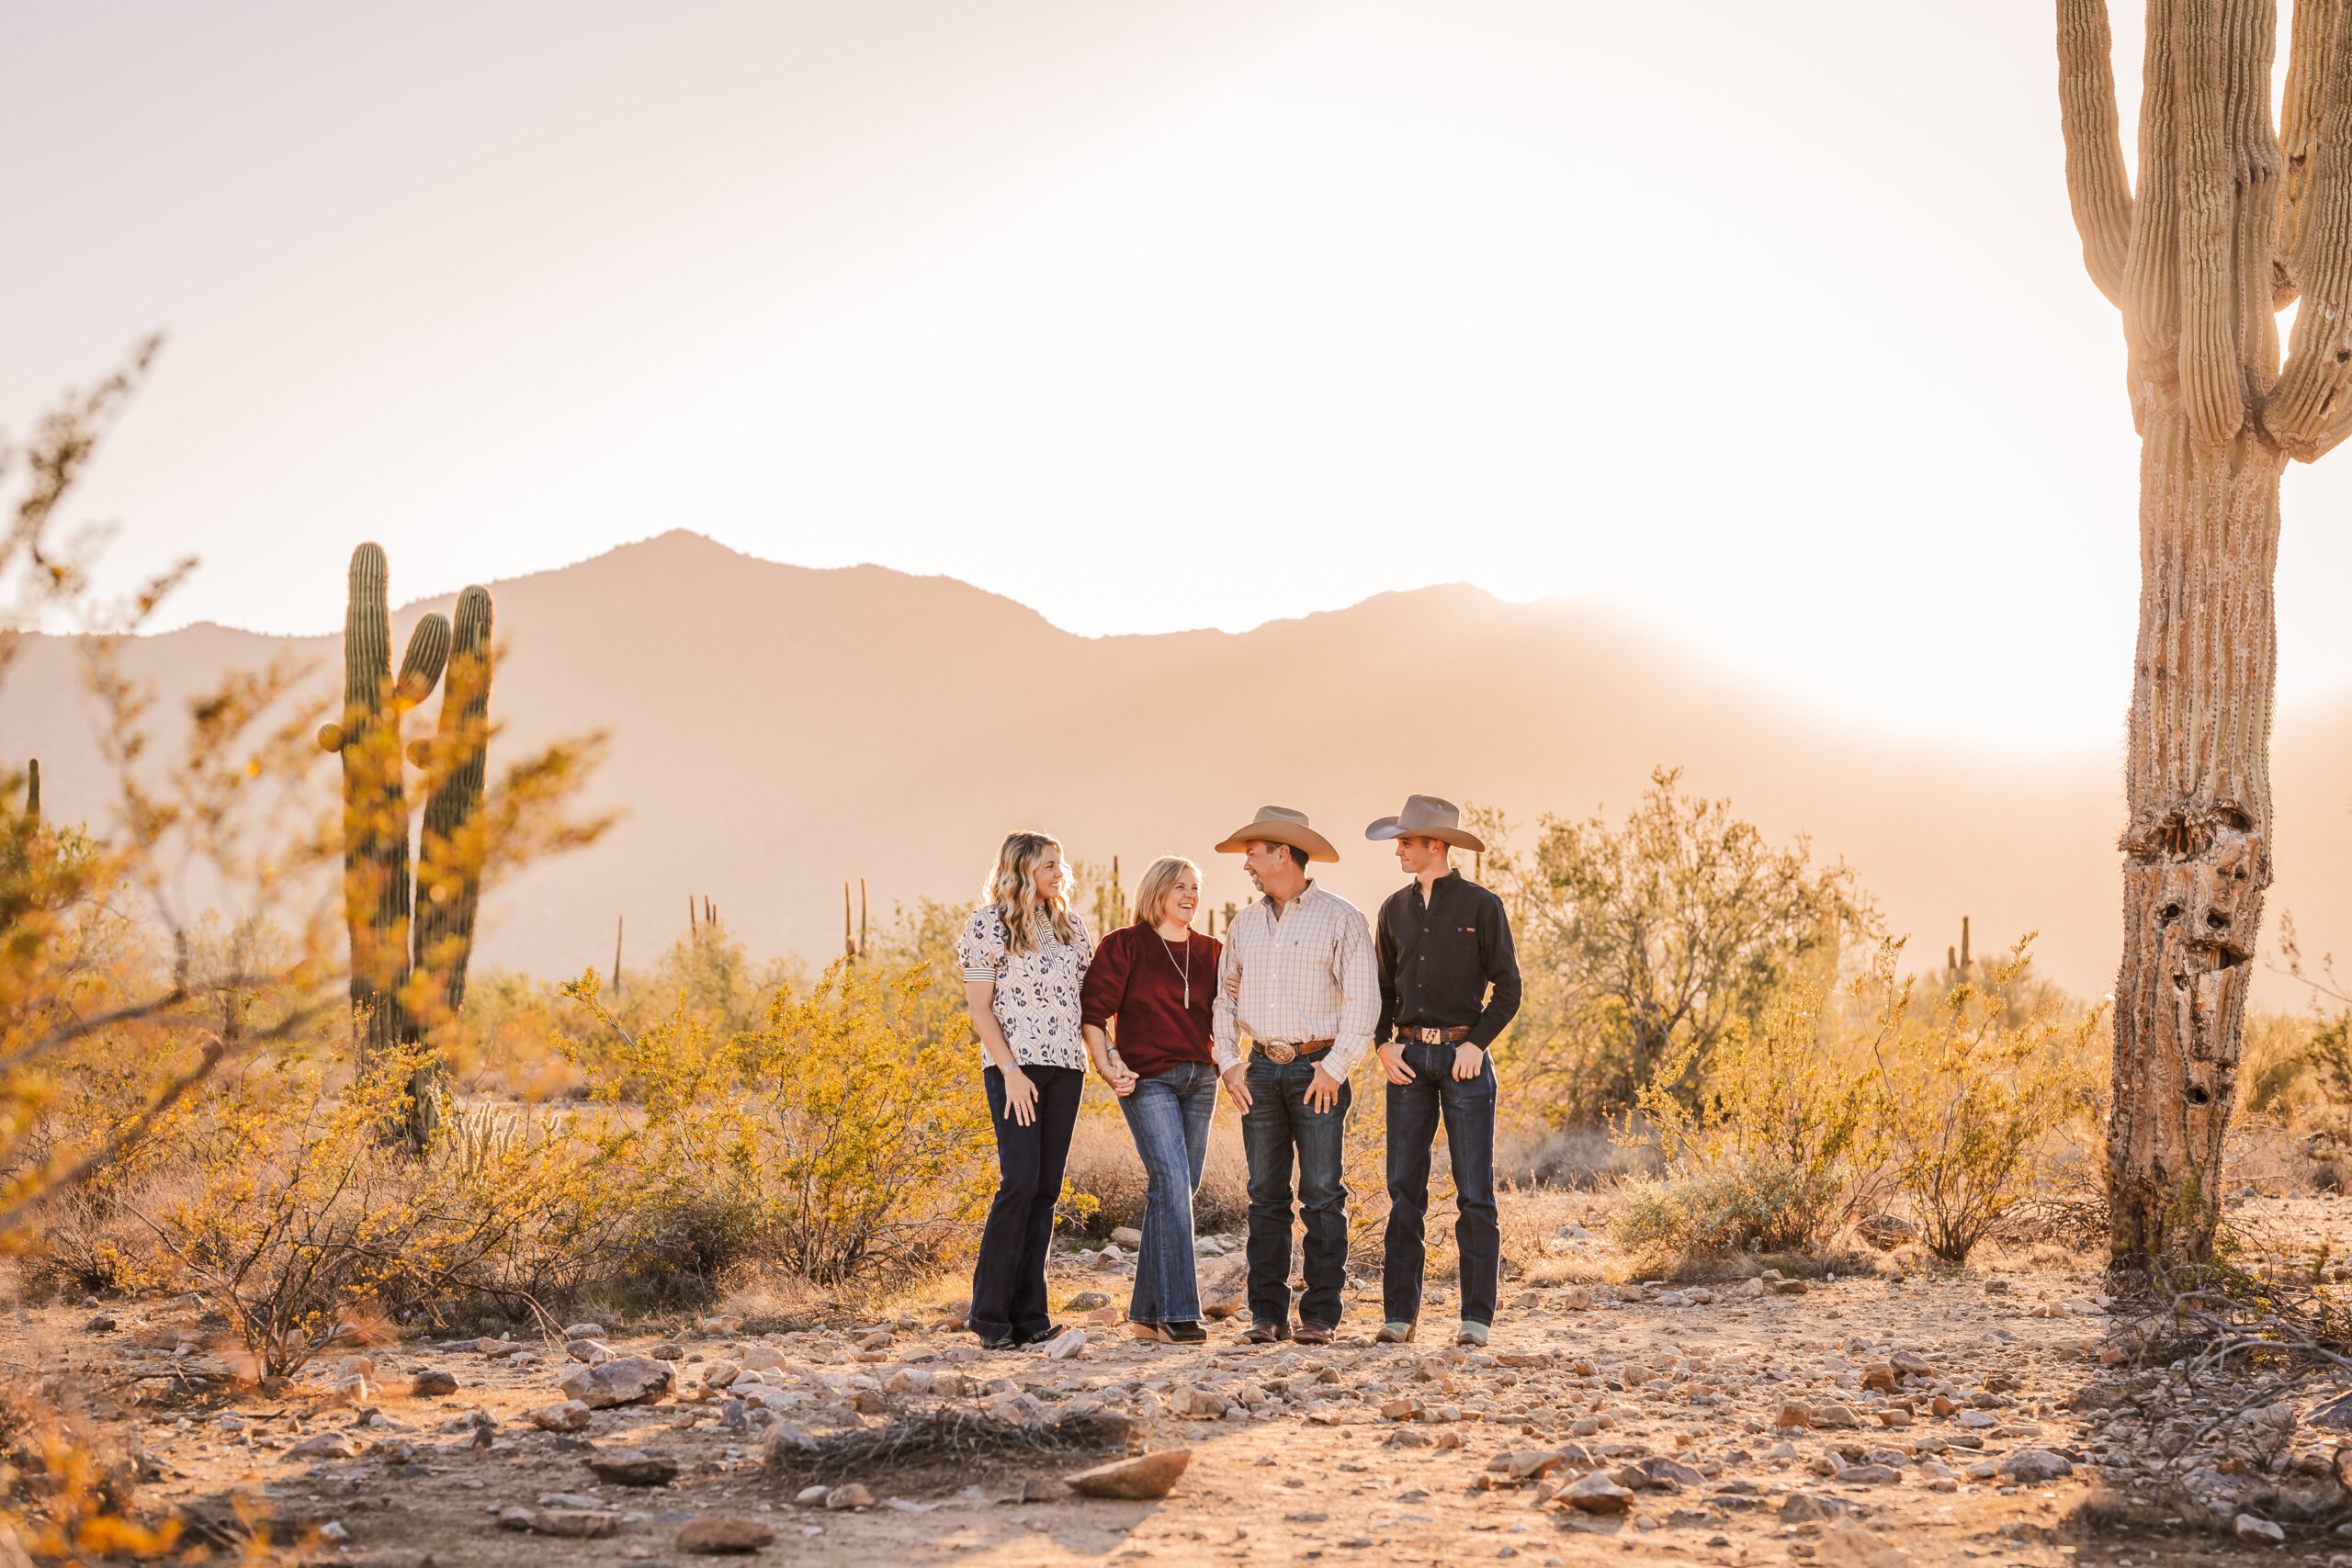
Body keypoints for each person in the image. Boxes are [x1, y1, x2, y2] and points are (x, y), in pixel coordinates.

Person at [1210, 806, 1379, 1347]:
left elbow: (1364, 1002)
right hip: (1258, 1069)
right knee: (1264, 1194)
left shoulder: (1341, 918)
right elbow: (1223, 998)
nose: (1247, 866)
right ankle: (1267, 1315)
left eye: (1253, 854)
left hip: (1318, 1070)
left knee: (1324, 1194)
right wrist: (1228, 1059)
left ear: (1283, 854)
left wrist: (1334, 1069)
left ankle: (1322, 1315)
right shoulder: (1244, 924)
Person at [1365, 795, 1522, 1348]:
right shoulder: (1393, 910)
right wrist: (1383, 1044)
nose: (1399, 850)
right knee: (1404, 1191)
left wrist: (1476, 1044)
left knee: (1474, 1192)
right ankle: (1398, 1317)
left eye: (1406, 841)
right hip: (1407, 1060)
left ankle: (1475, 1319)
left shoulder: (1483, 906)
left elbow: (1509, 988)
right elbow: (1382, 990)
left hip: (1464, 1062)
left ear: (1436, 845)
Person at [958, 830, 1093, 1349]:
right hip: (1015, 1071)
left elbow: (1088, 1001)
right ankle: (990, 1318)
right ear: (1019, 871)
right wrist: (1011, 1071)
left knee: (1045, 1189)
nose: (1059, 874)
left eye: (1060, 865)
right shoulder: (986, 925)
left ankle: (1031, 1318)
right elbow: (979, 1009)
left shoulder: (1071, 927)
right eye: (1047, 866)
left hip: (1066, 1069)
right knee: (1018, 1182)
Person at [1080, 856, 1222, 1345]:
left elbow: (1226, 1017)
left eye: (1195, 887)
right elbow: (1094, 1014)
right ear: (1157, 891)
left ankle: (1143, 1313)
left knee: (1178, 1190)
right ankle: (1180, 1313)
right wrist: (1107, 1065)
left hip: (1203, 1079)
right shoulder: (1126, 945)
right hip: (1148, 1080)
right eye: (1179, 886)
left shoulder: (1213, 951)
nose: (1190, 895)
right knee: (1172, 1181)